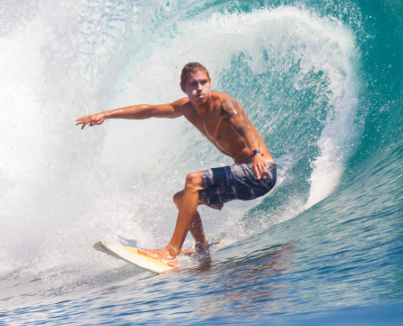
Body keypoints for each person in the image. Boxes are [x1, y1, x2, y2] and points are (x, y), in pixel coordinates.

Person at [75, 62, 276, 266]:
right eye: (192, 84)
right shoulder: (186, 107)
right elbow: (148, 111)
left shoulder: (225, 104)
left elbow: (245, 129)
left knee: (193, 180)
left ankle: (170, 252)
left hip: (261, 171)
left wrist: (256, 153)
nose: (199, 88)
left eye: (203, 82)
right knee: (182, 199)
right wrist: (106, 114)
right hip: (245, 177)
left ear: (210, 82)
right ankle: (202, 249)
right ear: (184, 88)